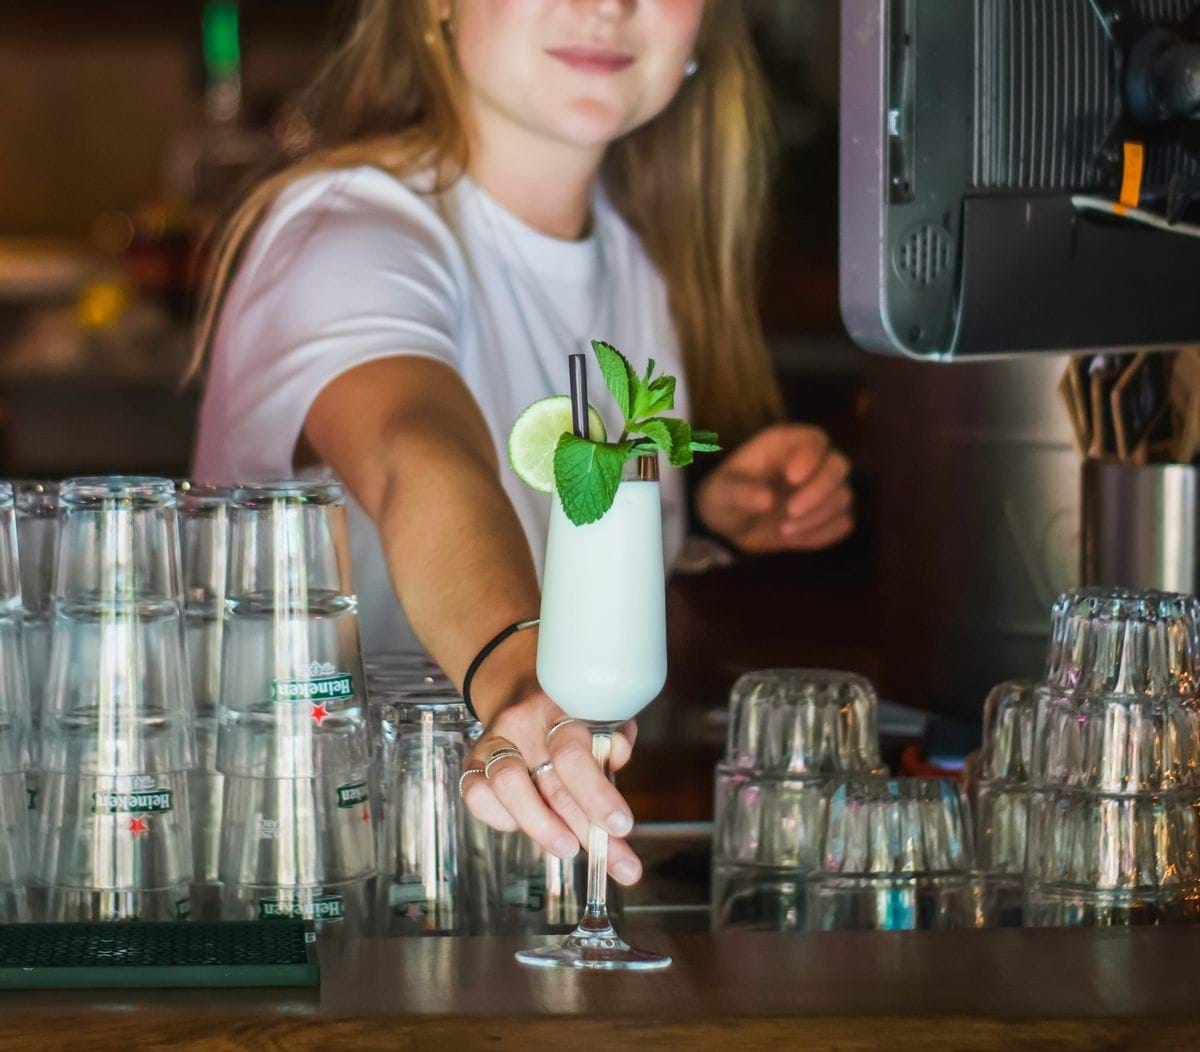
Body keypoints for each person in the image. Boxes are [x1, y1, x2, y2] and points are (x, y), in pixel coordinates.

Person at [191, 0, 853, 888]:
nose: (608, 5)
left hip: (505, 891)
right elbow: (415, 454)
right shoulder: (346, 231)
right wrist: (518, 679)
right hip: (326, 896)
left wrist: (701, 519)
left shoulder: (634, 261)